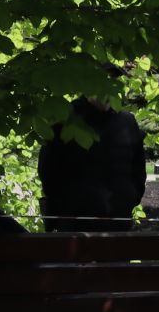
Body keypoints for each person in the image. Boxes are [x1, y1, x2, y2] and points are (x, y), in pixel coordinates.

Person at [38, 93, 146, 232]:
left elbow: (138, 168)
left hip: (119, 220)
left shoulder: (127, 121)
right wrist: (65, 207)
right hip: (75, 222)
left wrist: (130, 199)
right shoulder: (64, 119)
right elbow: (48, 171)